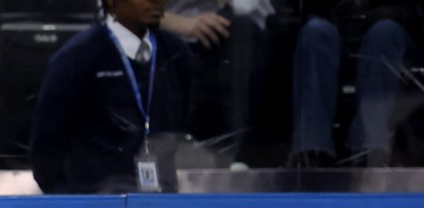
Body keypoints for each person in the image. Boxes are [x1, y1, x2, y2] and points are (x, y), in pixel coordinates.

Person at [29, 0, 193, 193]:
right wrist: (75, 207)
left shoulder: (176, 53)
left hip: (164, 201)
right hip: (95, 205)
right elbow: (46, 150)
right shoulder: (77, 57)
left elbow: (185, 127)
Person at [287, 0, 424, 168]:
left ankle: (367, 148)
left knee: (383, 33)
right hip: (340, 24)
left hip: (394, 26)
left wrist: (394, 13)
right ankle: (312, 149)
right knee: (315, 31)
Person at [160, 0, 272, 167]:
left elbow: (248, 7)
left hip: (228, 35)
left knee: (244, 31)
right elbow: (118, 10)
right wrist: (181, 24)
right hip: (167, 31)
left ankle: (237, 157)